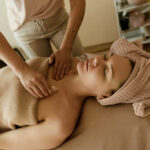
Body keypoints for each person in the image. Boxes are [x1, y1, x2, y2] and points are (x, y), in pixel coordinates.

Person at [0, 38, 133, 149]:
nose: (97, 60)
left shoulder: (61, 123)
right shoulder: (67, 61)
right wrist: (21, 69)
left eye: (105, 71)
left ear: (104, 95)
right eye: (105, 57)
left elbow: (4, 142)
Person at [5, 0, 85, 81]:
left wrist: (66, 48)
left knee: (82, 67)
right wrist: (21, 70)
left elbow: (77, 2)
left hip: (59, 20)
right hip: (25, 30)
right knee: (47, 80)